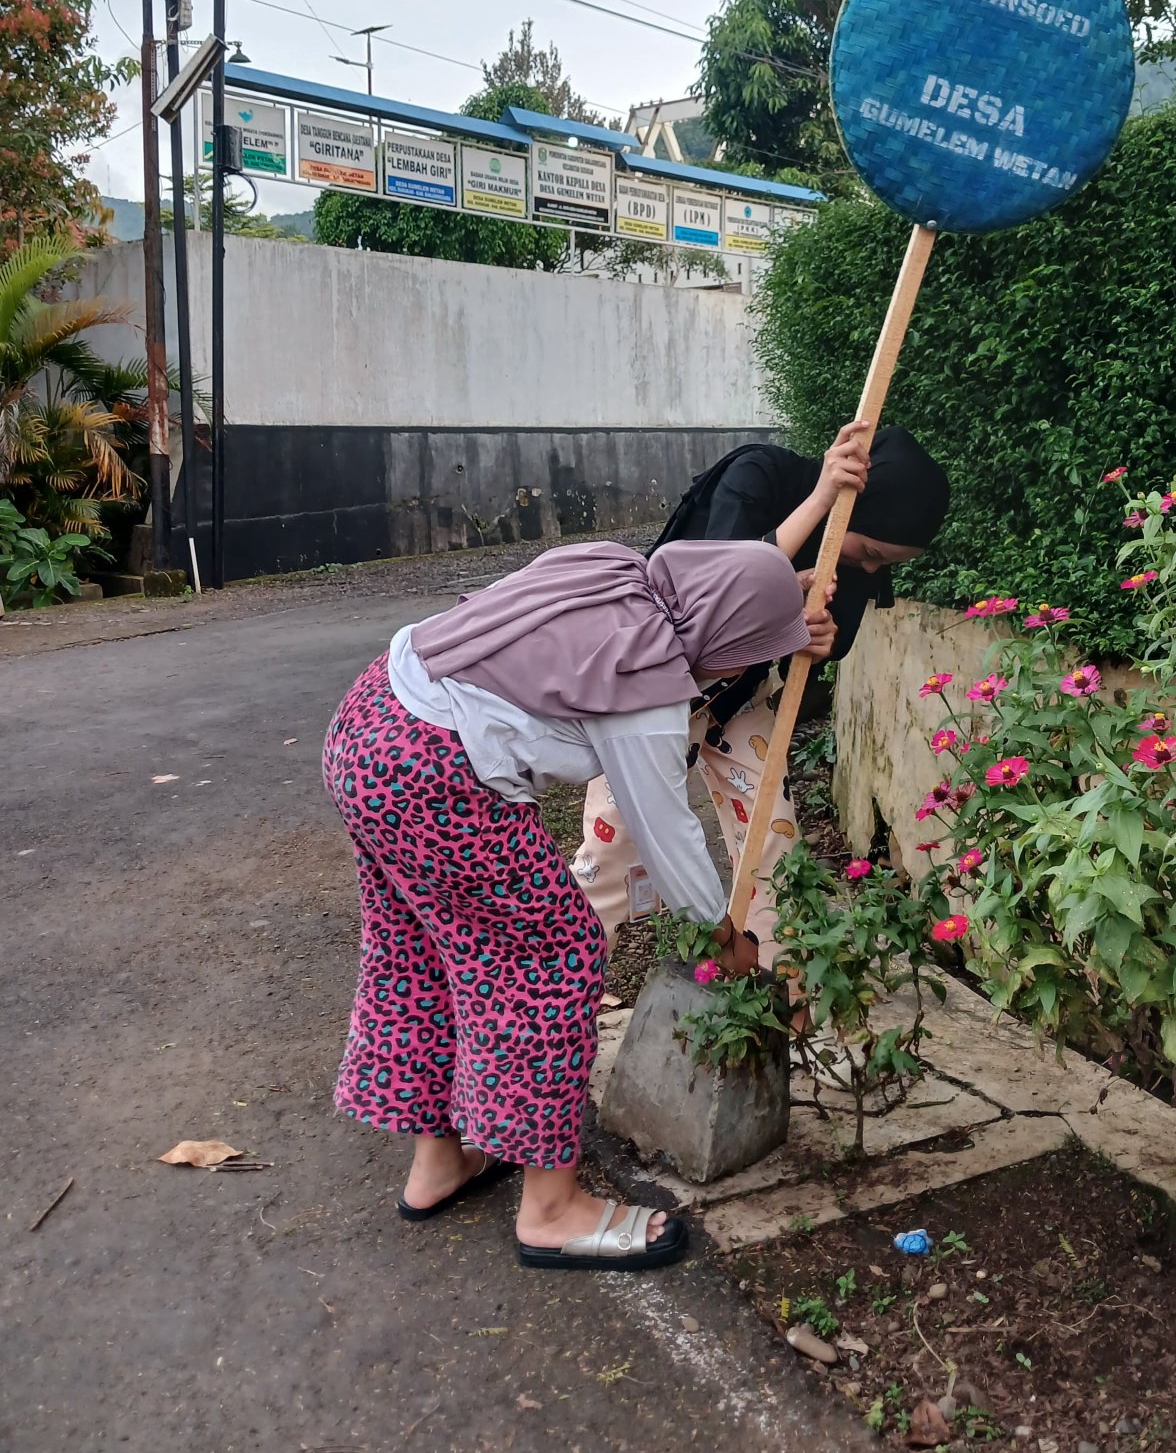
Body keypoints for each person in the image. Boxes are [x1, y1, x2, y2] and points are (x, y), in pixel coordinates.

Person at [322, 538, 811, 1271]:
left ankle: (439, 1162)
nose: (736, 675)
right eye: (745, 659)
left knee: (424, 948)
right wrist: (726, 939)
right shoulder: (645, 672)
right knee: (553, 955)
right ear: (727, 639)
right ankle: (551, 1210)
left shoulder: (613, 569)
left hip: (368, 727)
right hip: (433, 771)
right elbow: (667, 833)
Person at [571, 422, 951, 962]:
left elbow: (825, 645)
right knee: (615, 846)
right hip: (657, 692)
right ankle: (559, 984)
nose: (870, 568)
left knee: (774, 840)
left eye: (885, 564)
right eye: (870, 550)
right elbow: (716, 592)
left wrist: (816, 639)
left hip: (740, 695)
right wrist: (820, 502)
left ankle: (769, 983)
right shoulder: (758, 476)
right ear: (851, 509)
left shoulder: (855, 552)